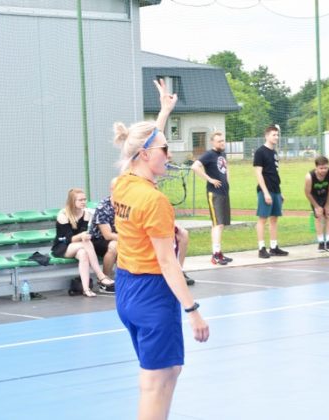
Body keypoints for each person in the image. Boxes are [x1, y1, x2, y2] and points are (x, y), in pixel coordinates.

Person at [112, 79, 209, 420]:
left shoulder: (122, 184)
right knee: (155, 381)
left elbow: (146, 143)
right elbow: (168, 263)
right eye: (165, 150)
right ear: (145, 155)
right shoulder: (154, 201)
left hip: (127, 288)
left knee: (168, 372)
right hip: (153, 291)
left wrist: (164, 113)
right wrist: (192, 310)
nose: (170, 154)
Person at [51, 188, 115, 297]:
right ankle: (101, 275)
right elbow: (67, 239)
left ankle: (86, 289)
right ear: (72, 201)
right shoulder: (63, 215)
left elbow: (82, 234)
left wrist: (84, 236)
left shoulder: (86, 214)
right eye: (80, 200)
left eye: (84, 199)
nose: (83, 202)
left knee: (83, 254)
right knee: (86, 243)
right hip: (63, 246)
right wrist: (82, 236)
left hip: (79, 246)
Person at [191, 131, 233, 266]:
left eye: (223, 140)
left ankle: (219, 252)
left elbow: (225, 169)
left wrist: (227, 182)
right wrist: (210, 179)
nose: (222, 143)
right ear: (213, 142)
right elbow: (195, 166)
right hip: (214, 193)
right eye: (219, 141)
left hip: (224, 192)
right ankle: (215, 255)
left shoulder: (222, 154)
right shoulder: (209, 155)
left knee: (221, 224)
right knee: (217, 224)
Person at [253, 125, 289, 258]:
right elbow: (258, 173)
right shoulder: (260, 152)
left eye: (277, 135)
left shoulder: (274, 153)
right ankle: (261, 248)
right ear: (267, 136)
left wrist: (280, 192)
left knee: (274, 219)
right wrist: (266, 192)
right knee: (263, 219)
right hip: (265, 190)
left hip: (276, 190)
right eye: (274, 135)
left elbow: (275, 173)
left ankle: (274, 247)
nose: (276, 137)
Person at [89, 178, 118, 290]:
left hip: (119, 238)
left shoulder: (129, 205)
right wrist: (129, 238)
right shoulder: (103, 206)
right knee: (114, 246)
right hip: (97, 240)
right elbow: (107, 235)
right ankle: (104, 280)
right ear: (112, 189)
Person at [304, 155, 329, 252]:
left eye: (326, 168)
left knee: (328, 215)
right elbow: (307, 193)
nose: (323, 170)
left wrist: (327, 205)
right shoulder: (309, 177)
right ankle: (321, 242)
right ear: (316, 167)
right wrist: (316, 206)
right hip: (315, 196)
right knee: (318, 216)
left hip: (327, 195)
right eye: (321, 168)